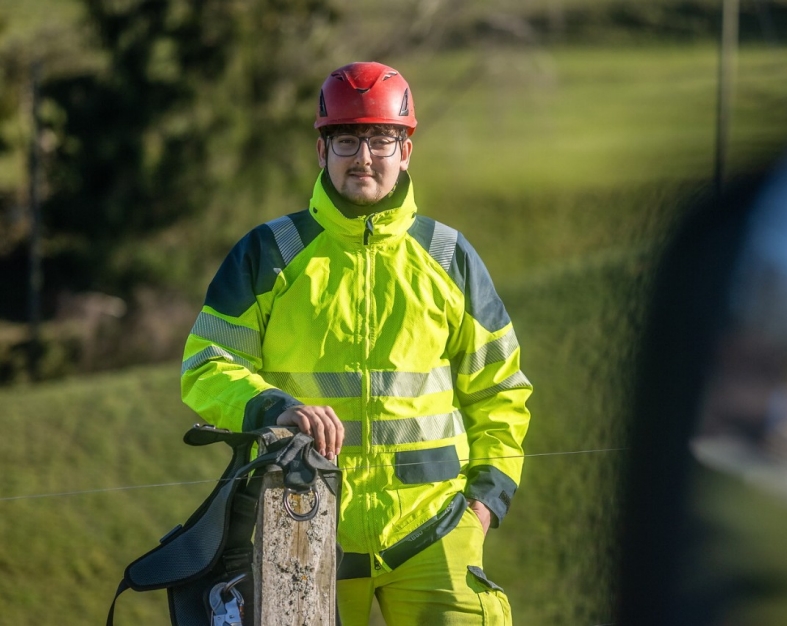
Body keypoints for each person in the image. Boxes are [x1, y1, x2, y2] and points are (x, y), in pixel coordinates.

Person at [180, 61, 532, 625]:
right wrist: (277, 406)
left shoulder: (450, 257)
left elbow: (500, 389)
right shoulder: (269, 253)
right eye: (347, 140)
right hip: (299, 524)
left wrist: (484, 502)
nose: (363, 157)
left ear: (406, 150)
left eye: (381, 139)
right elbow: (206, 365)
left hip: (435, 530)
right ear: (322, 152)